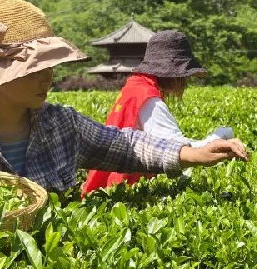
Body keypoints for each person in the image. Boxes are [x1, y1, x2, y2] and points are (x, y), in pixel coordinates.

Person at [0, 0, 247, 230]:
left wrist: (191, 152)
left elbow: (125, 145)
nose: (49, 76)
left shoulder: (61, 125)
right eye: (35, 68)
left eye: (50, 64)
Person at [81, 30, 233, 196]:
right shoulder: (150, 100)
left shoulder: (134, 87)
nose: (185, 83)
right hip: (124, 187)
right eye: (184, 76)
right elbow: (178, 149)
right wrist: (219, 137)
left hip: (109, 182)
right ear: (173, 74)